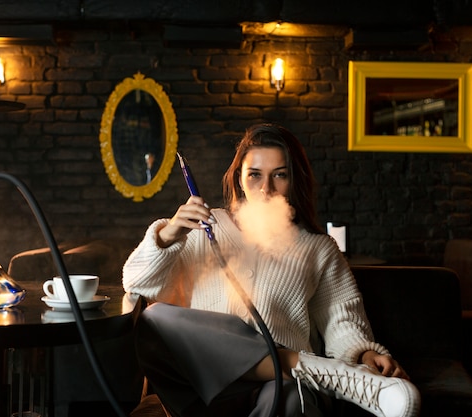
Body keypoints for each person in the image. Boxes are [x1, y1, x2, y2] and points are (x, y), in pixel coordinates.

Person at [123, 123, 420, 417]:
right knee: (154, 319)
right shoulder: (202, 228)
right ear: (239, 178)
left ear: (295, 180)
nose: (266, 188)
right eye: (254, 175)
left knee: (291, 399)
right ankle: (327, 374)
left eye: (280, 175)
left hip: (280, 389)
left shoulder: (318, 249)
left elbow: (341, 321)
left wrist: (364, 354)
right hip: (206, 391)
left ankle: (305, 373)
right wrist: (168, 236)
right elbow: (136, 284)